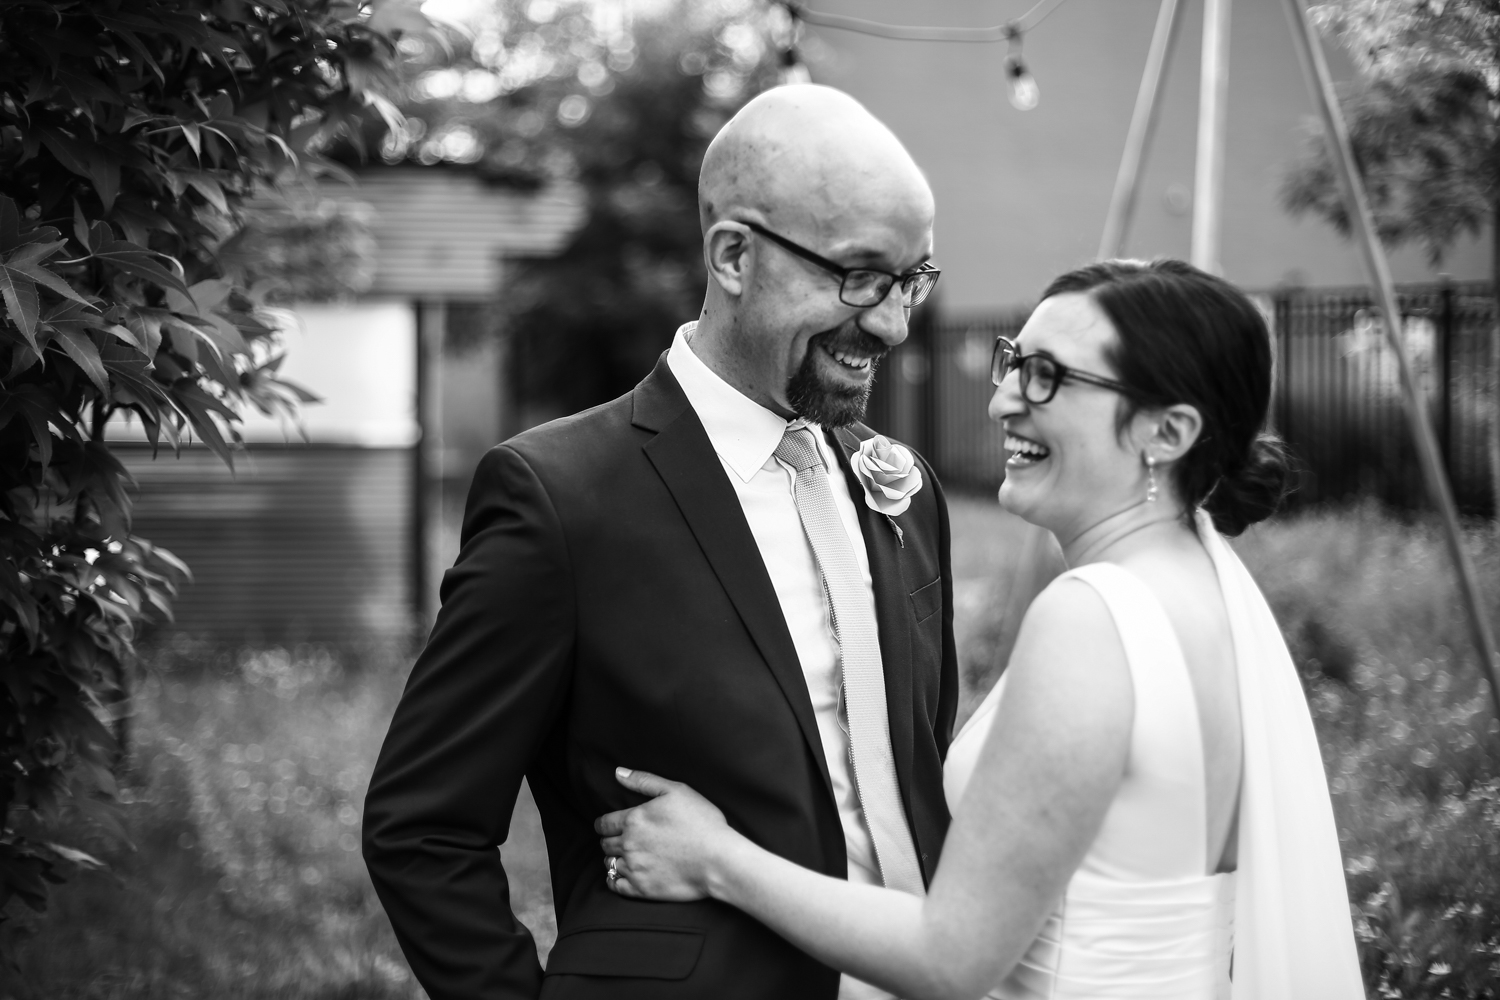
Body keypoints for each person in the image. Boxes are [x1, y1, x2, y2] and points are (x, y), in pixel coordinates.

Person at [595, 259, 1368, 1000]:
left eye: (1050, 377)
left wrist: (717, 859)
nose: (1003, 402)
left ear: (1166, 432)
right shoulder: (1206, 589)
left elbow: (950, 957)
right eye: (1013, 362)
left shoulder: (1095, 619)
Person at [363, 84, 974, 999]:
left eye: (912, 280)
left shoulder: (906, 489)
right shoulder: (560, 497)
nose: (892, 322)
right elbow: (423, 826)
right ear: (734, 255)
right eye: (860, 278)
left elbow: (917, 761)